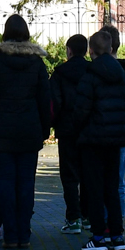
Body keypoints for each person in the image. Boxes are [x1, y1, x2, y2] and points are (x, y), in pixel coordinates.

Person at [0, 15, 51, 250]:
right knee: (26, 183)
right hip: (29, 130)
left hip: (2, 131)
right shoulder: (37, 63)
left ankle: (9, 234)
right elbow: (44, 99)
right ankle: (24, 233)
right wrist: (45, 129)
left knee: (6, 183)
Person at [66, 25, 125, 250]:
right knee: (112, 188)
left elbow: (81, 109)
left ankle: (98, 237)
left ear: (91, 51)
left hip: (93, 140)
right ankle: (117, 236)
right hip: (115, 140)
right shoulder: (121, 74)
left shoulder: (90, 76)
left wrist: (77, 131)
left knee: (95, 189)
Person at [50, 34, 90, 233]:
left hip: (67, 129)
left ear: (69, 50)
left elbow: (54, 102)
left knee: (69, 175)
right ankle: (89, 216)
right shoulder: (93, 71)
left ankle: (73, 218)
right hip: (89, 129)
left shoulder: (59, 73)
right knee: (89, 173)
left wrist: (53, 124)